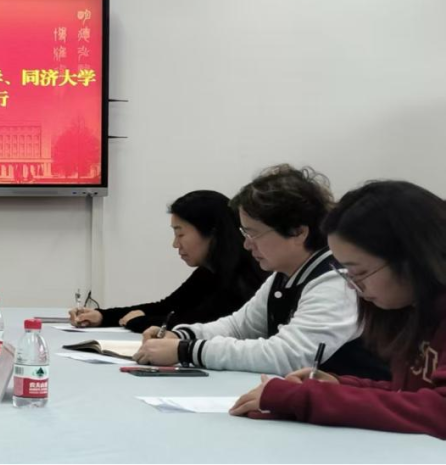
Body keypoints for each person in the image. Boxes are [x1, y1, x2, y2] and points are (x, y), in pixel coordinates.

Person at [231, 180, 446, 438]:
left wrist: (307, 399)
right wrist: (339, 385)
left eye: (360, 272)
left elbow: (439, 411)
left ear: (413, 258)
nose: (353, 286)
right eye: (347, 273)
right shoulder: (412, 310)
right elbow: (407, 394)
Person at [133, 165, 388, 379]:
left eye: (253, 233)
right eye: (244, 233)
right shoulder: (284, 275)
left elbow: (288, 356)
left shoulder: (335, 280)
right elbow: (238, 326)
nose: (246, 245)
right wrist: (181, 334)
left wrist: (186, 350)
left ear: (298, 231)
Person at [69, 190, 267, 332]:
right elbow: (167, 307)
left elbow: (194, 322)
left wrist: (137, 321)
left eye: (180, 234)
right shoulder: (209, 272)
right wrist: (102, 316)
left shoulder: (243, 279)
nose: (175, 244)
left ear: (212, 233)